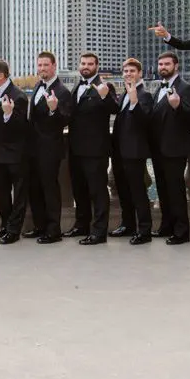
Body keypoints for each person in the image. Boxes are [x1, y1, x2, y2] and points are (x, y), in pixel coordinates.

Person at [66, 52, 117, 245]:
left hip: (96, 150)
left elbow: (115, 109)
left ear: (97, 66)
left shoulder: (106, 86)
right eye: (83, 63)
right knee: (79, 190)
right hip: (75, 148)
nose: (86, 66)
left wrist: (105, 97)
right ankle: (81, 225)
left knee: (98, 192)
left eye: (90, 64)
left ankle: (99, 232)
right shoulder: (77, 86)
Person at [148, 52, 190, 244]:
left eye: (167, 64)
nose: (163, 67)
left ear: (176, 66)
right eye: (160, 64)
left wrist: (178, 106)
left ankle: (181, 232)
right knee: (162, 189)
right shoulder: (158, 88)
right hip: (158, 148)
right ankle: (166, 226)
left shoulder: (187, 88)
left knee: (176, 191)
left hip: (175, 148)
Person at [25, 51, 73, 244]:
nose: (42, 68)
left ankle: (54, 231)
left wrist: (54, 109)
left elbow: (66, 120)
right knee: (35, 189)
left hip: (50, 149)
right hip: (33, 148)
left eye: (46, 65)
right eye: (40, 65)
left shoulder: (63, 92)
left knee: (49, 189)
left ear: (54, 66)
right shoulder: (38, 85)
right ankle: (40, 227)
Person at [110, 57, 154, 244]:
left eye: (132, 71)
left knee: (138, 191)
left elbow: (145, 122)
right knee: (123, 191)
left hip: (135, 152)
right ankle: (127, 225)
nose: (128, 74)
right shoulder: (123, 94)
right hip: (119, 151)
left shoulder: (144, 95)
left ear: (140, 73)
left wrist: (135, 101)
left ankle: (144, 230)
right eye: (126, 71)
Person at [0, 59, 30, 245]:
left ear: (1, 75)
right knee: (1, 192)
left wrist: (8, 114)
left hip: (16, 154)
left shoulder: (19, 96)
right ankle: (5, 225)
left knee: (19, 195)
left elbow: (21, 128)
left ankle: (14, 231)